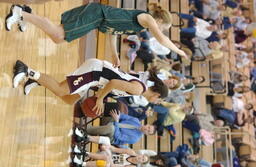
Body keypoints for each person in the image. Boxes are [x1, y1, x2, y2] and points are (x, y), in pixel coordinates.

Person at [5, 3, 188, 67]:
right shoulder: (147, 18)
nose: (161, 30)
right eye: (163, 27)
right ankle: (19, 13)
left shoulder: (139, 28)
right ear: (160, 21)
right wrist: (179, 52)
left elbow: (112, 32)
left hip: (98, 20)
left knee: (57, 38)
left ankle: (26, 14)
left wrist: (115, 55)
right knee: (59, 34)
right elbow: (161, 39)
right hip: (96, 14)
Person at [13, 58, 168, 115]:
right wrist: (100, 99)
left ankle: (39, 80)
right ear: (157, 95)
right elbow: (113, 83)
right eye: (159, 101)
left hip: (97, 79)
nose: (156, 103)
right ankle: (26, 70)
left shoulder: (138, 90)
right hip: (95, 72)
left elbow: (110, 85)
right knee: (61, 89)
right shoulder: (138, 89)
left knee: (70, 99)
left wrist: (100, 96)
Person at [69, 133, 149, 167]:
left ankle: (82, 163)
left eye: (142, 160)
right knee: (106, 140)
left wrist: (109, 158)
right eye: (142, 157)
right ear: (140, 154)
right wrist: (107, 147)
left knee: (106, 161)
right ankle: (84, 138)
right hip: (105, 156)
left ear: (141, 163)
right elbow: (115, 149)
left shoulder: (132, 166)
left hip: (109, 165)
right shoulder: (131, 152)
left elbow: (113, 166)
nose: (141, 158)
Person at [85, 110, 156, 145]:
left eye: (148, 131)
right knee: (114, 110)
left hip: (112, 137)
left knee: (111, 128)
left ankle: (85, 130)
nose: (147, 129)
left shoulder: (135, 138)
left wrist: (116, 121)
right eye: (149, 127)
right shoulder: (136, 120)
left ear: (147, 134)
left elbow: (118, 136)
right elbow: (122, 115)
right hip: (113, 123)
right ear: (147, 124)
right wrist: (117, 115)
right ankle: (85, 111)